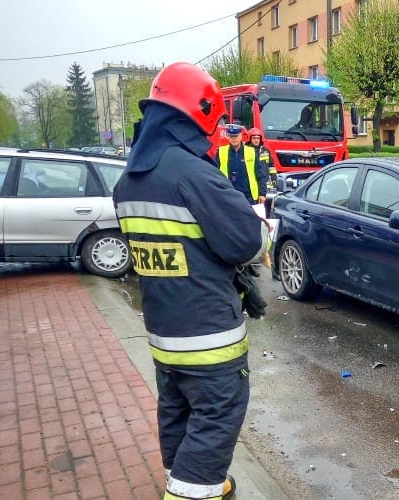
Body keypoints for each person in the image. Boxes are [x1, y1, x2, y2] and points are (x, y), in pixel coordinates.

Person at [112, 62, 269, 500]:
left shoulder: (129, 181)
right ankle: (192, 492)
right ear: (199, 112)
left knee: (178, 410)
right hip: (210, 335)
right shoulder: (192, 174)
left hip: (164, 333)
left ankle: (184, 480)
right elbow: (247, 243)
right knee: (217, 415)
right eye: (215, 118)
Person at [216, 124, 269, 206]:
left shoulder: (251, 152)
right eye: (231, 136)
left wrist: (262, 193)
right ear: (228, 137)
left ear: (241, 136)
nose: (234, 139)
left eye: (236, 136)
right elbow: (214, 174)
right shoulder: (221, 151)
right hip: (228, 195)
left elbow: (260, 175)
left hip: (248, 196)